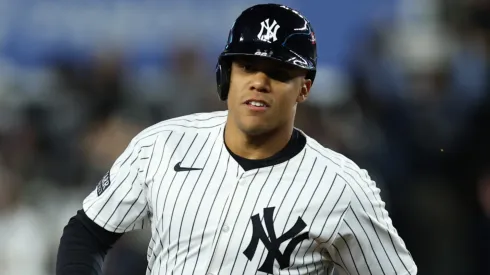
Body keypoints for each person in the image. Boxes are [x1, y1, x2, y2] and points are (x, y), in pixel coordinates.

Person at [56, 4, 417, 275]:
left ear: (303, 88)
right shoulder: (162, 145)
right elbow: (87, 233)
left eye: (278, 72)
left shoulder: (342, 186)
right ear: (225, 75)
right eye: (246, 66)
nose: (259, 82)